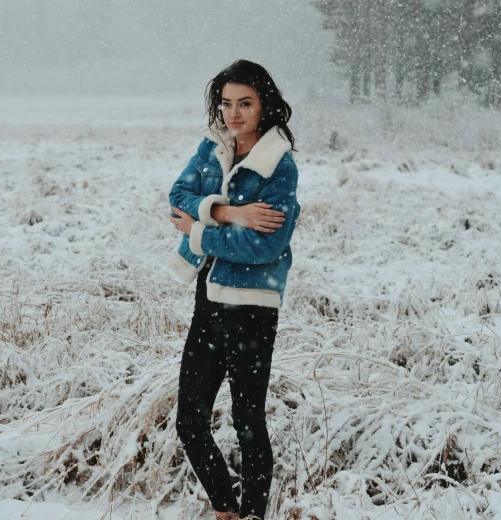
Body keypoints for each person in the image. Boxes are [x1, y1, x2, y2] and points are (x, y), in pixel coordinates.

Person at [167, 59, 300, 520]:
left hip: (251, 306)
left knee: (247, 422)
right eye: (227, 104)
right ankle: (226, 509)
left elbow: (266, 245)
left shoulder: (278, 165)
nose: (234, 114)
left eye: (245, 103)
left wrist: (201, 232)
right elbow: (178, 198)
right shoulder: (213, 147)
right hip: (209, 299)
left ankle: (253, 515)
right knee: (190, 421)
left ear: (265, 104)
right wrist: (229, 214)